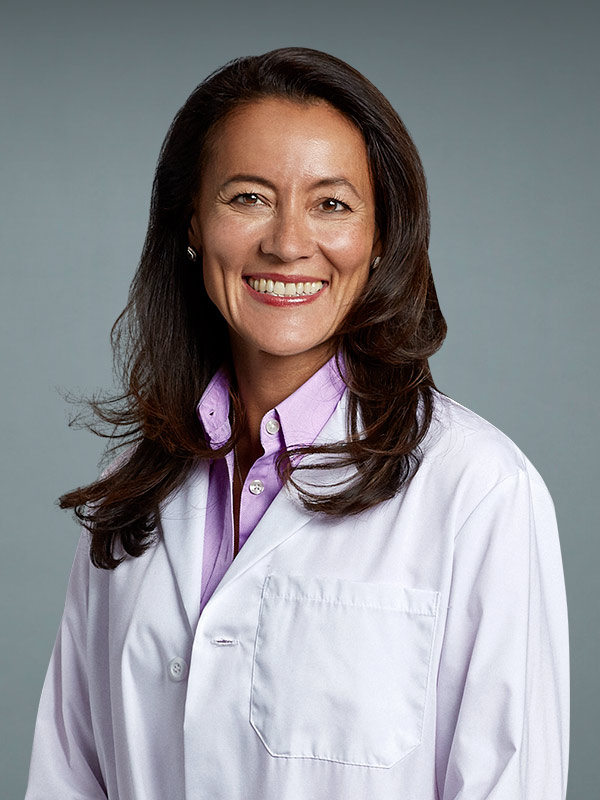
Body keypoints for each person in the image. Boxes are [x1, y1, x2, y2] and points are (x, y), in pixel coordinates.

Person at [25, 47, 569, 799]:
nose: (286, 243)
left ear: (381, 236)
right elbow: (68, 777)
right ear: (192, 220)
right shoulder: (131, 494)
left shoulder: (479, 492)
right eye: (248, 197)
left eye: (332, 204)